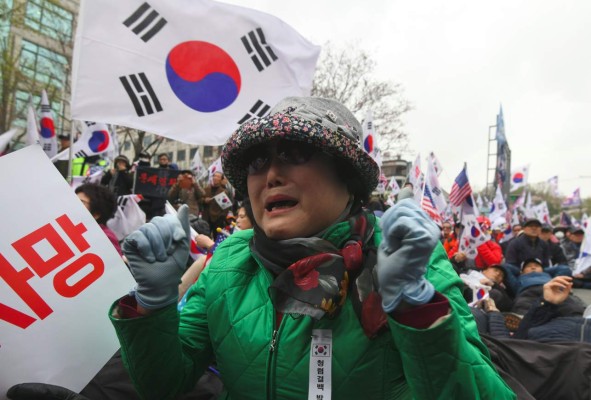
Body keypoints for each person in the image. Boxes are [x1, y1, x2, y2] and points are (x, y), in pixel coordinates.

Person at [107, 97, 514, 399]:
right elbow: (161, 385)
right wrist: (151, 306)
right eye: (256, 162)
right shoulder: (229, 260)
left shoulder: (409, 262)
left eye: (294, 153)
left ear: (348, 179)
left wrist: (416, 310)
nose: (271, 174)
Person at [75, 183, 122, 256]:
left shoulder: (105, 238)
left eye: (81, 202)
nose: (72, 204)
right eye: (73, 200)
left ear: (96, 214)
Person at [201, 171, 233, 235]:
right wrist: (204, 200)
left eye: (218, 177)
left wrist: (221, 217)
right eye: (214, 176)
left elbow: (226, 207)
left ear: (221, 180)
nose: (215, 178)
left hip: (217, 220)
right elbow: (199, 200)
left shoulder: (224, 191)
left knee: (217, 238)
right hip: (206, 218)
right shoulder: (206, 189)